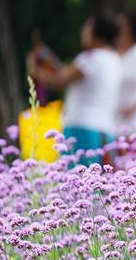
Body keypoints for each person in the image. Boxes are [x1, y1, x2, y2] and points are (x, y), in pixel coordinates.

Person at [28, 13, 122, 165]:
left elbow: (58, 81)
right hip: (106, 131)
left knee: (77, 177)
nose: (83, 32)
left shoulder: (89, 58)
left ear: (97, 33)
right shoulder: (115, 59)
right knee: (100, 178)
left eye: (87, 28)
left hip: (81, 128)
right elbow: (63, 71)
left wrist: (34, 69)